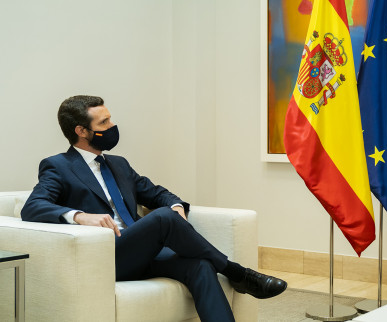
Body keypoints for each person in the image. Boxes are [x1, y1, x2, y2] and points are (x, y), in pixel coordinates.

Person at [21, 95, 287, 322]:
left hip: (141, 251)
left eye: (110, 119)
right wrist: (80, 217)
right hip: (106, 256)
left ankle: (231, 275)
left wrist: (175, 206)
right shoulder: (58, 166)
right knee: (162, 219)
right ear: (81, 131)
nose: (112, 126)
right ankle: (238, 273)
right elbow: (33, 207)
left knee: (200, 265)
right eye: (104, 123)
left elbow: (157, 193)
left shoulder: (119, 164)